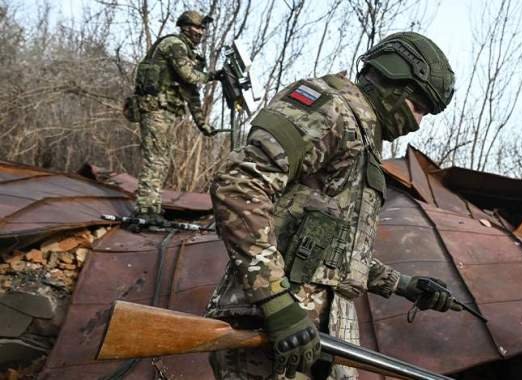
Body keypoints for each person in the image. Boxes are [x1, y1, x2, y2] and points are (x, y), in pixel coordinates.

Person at [207, 31, 457, 380]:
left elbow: (331, 256)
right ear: (393, 83)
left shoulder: (362, 138)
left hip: (320, 340)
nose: (417, 123)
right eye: (418, 107)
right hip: (268, 336)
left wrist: (404, 285)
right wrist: (276, 303)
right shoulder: (330, 107)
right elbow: (239, 184)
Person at [129, 10, 222, 223]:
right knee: (155, 159)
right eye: (197, 27)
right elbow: (189, 75)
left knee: (161, 159)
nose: (201, 32)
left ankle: (152, 207)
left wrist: (202, 124)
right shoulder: (175, 45)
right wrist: (214, 76)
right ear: (185, 27)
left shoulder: (190, 54)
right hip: (155, 109)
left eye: (203, 28)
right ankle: (145, 210)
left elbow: (192, 93)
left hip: (166, 112)